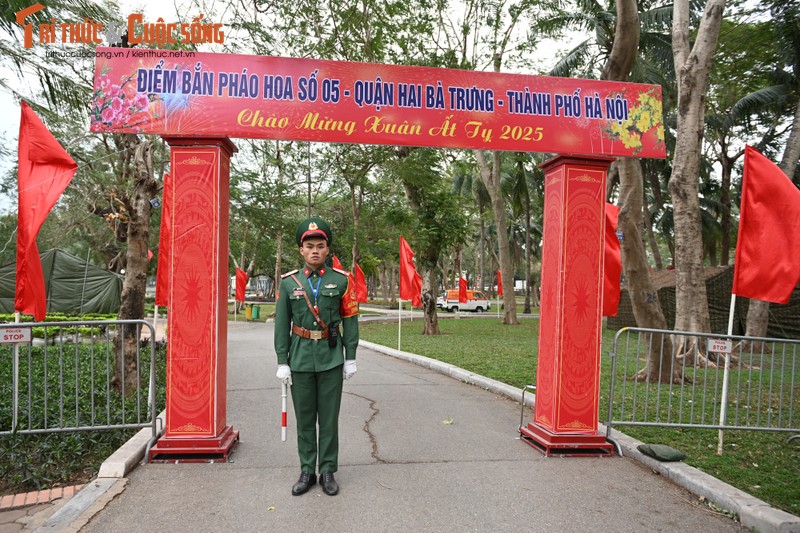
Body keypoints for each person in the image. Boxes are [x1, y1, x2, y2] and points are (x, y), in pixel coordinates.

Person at [274, 216, 359, 496]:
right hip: (299, 359)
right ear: (301, 250)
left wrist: (351, 356)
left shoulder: (342, 280)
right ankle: (307, 470)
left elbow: (350, 319)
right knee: (306, 418)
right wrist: (282, 361)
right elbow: (281, 324)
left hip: (331, 357)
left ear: (327, 250)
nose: (314, 251)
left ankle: (327, 470)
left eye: (320, 246)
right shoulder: (289, 283)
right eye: (309, 246)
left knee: (330, 419)